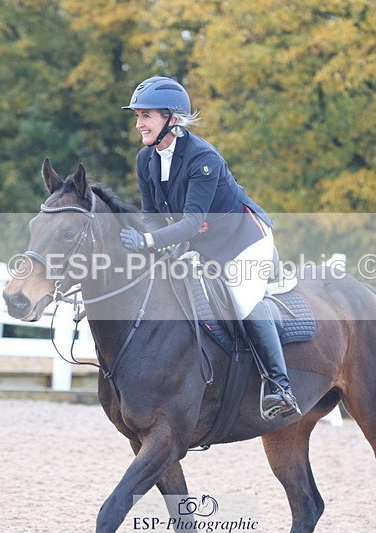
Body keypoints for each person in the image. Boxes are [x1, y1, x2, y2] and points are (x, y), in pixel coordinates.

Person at [118, 76, 299, 419]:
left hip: (244, 240)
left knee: (242, 299)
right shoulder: (146, 159)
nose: (139, 123)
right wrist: (156, 244)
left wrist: (147, 242)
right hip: (203, 244)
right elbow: (151, 215)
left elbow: (189, 222)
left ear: (172, 119)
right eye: (138, 116)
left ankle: (280, 387)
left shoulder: (203, 158)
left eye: (147, 116)